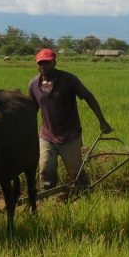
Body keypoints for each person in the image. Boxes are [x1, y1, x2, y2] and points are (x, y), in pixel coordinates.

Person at [28, 48, 113, 191]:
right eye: (40, 63)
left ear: (54, 62)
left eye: (46, 63)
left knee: (75, 172)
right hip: (47, 135)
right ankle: (48, 197)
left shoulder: (68, 80)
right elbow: (32, 110)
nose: (42, 66)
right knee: (45, 169)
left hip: (70, 135)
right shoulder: (33, 85)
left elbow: (88, 97)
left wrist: (102, 121)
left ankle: (84, 193)